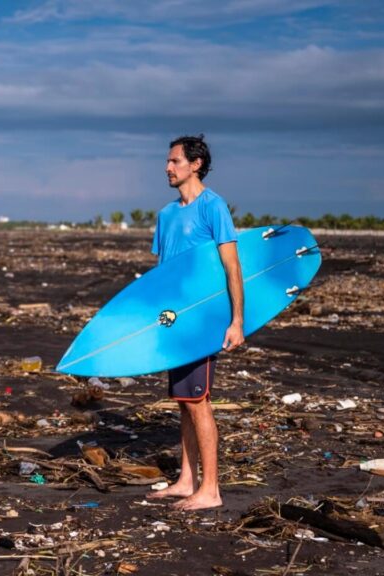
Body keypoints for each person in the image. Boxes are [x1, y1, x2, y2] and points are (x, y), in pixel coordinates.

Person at [147, 134, 244, 511]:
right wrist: (157, 321)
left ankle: (211, 490)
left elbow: (232, 267)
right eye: (168, 161)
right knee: (184, 402)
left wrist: (237, 321)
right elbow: (163, 276)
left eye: (175, 161)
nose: (167, 168)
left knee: (198, 401)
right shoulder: (166, 215)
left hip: (202, 322)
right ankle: (187, 480)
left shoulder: (213, 207)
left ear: (196, 164)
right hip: (175, 323)